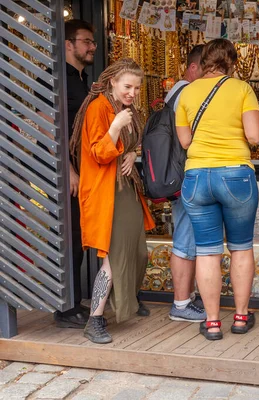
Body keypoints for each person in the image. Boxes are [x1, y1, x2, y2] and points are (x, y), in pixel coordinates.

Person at [175, 39, 259, 340]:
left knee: (207, 251)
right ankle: (240, 317)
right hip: (235, 175)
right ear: (231, 62)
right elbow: (254, 136)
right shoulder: (241, 89)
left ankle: (212, 322)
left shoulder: (187, 92)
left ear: (204, 61)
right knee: (241, 247)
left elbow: (185, 142)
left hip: (197, 177)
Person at [70, 58, 156, 344]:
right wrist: (116, 126)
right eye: (127, 86)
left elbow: (130, 145)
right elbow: (97, 152)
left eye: (136, 88)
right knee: (114, 255)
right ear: (112, 83)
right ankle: (95, 319)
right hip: (106, 190)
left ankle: (126, 301)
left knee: (138, 252)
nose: (132, 92)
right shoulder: (99, 108)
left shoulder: (123, 108)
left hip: (124, 188)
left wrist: (133, 153)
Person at [36, 19, 97, 329]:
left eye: (92, 41)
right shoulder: (54, 78)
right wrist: (68, 170)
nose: (92, 47)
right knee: (68, 238)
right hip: (62, 173)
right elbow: (49, 128)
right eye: (86, 41)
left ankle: (72, 304)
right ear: (69, 44)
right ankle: (64, 308)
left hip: (81, 172)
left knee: (78, 237)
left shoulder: (82, 79)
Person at [164, 45, 207, 322]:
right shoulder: (185, 94)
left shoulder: (176, 94)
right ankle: (180, 304)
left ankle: (186, 298)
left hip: (180, 176)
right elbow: (190, 138)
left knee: (187, 236)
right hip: (185, 177)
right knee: (186, 238)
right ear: (193, 69)